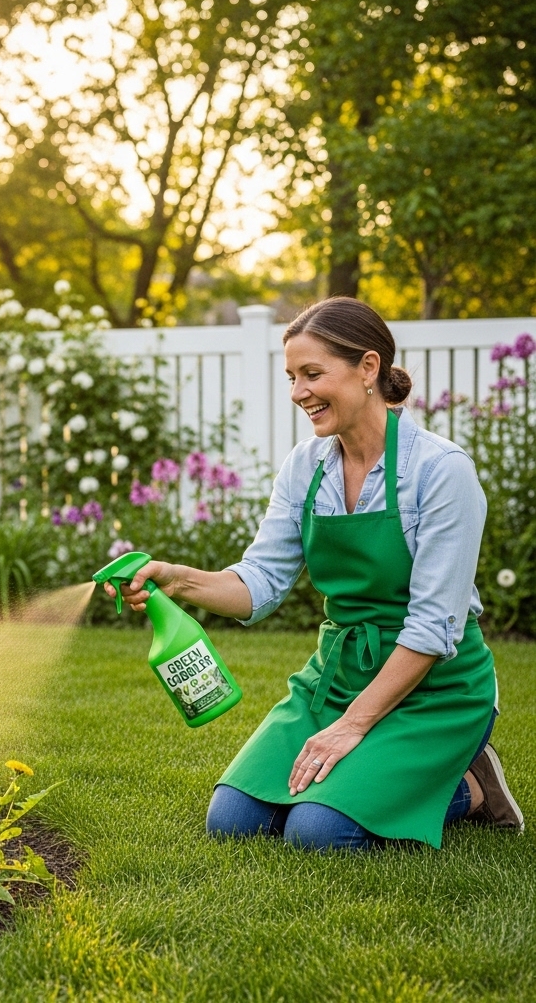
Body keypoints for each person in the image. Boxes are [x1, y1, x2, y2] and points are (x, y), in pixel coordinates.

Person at [109, 297, 524, 851]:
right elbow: (259, 584)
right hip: (337, 676)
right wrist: (175, 579)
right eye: (291, 377)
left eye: (312, 374)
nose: (298, 392)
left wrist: (352, 726)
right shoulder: (306, 466)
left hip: (433, 689)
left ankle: (471, 786)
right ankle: (366, 773)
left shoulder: (440, 471)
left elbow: (432, 629)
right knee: (233, 821)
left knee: (319, 832)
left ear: (368, 368)